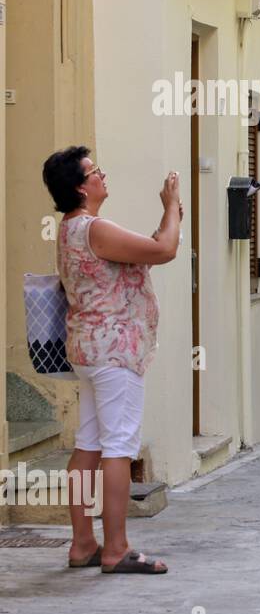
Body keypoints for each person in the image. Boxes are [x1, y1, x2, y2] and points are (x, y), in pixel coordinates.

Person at [43, 147, 180, 574]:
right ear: (82, 187)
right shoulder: (95, 228)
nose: (103, 176)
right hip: (114, 352)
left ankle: (83, 543)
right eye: (95, 172)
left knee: (88, 443)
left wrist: (166, 218)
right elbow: (165, 250)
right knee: (118, 447)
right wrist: (172, 205)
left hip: (87, 349)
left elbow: (150, 247)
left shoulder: (70, 228)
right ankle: (116, 547)